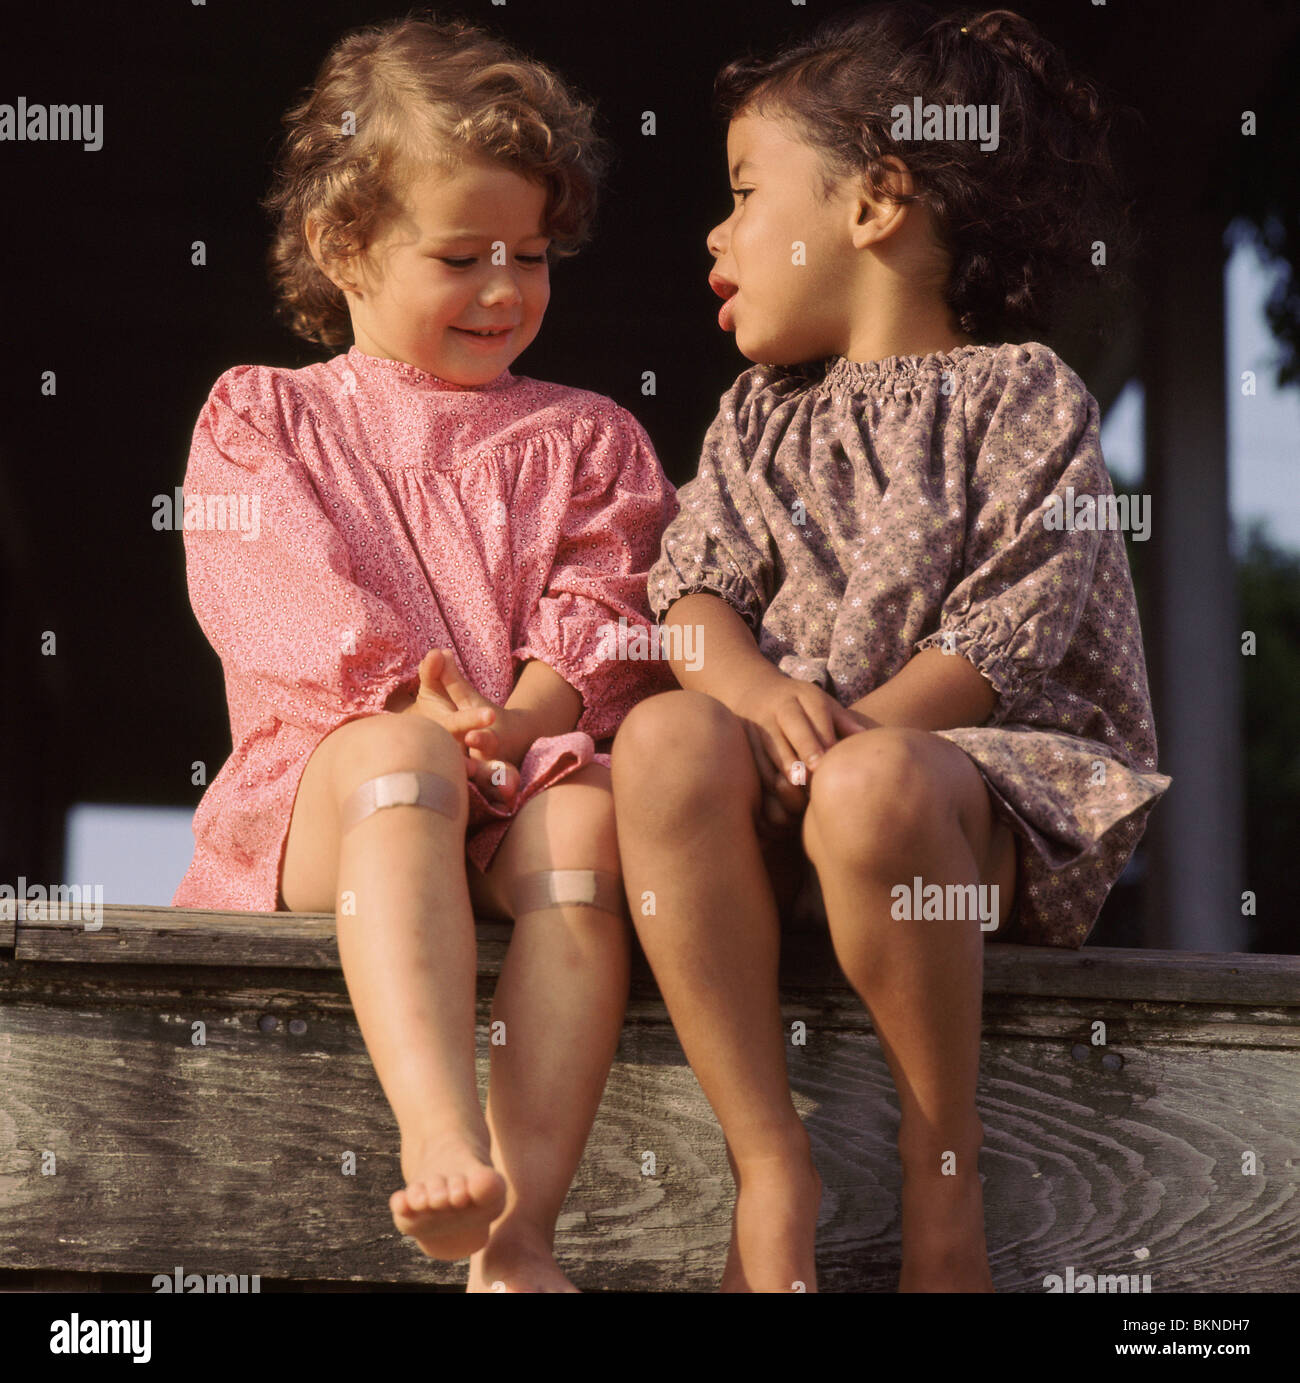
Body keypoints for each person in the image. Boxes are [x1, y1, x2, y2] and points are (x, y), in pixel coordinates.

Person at [612, 2, 1171, 1292]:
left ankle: (943, 1173)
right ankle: (770, 1160)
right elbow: (688, 592)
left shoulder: (1027, 395)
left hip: (961, 805)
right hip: (790, 791)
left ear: (875, 202)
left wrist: (857, 734)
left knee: (869, 788)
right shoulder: (757, 417)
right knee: (658, 738)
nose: (716, 231)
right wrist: (750, 691)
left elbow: (1009, 629)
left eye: (746, 192)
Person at [172, 14, 676, 1291]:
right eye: (463, 255)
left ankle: (516, 1234)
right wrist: (420, 696)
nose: (506, 290)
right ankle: (439, 1126)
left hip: (524, 775)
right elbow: (272, 589)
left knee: (592, 834)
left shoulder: (591, 436)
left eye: (534, 255)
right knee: (401, 759)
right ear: (346, 244)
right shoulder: (263, 415)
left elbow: (613, 598)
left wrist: (521, 718)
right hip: (342, 795)